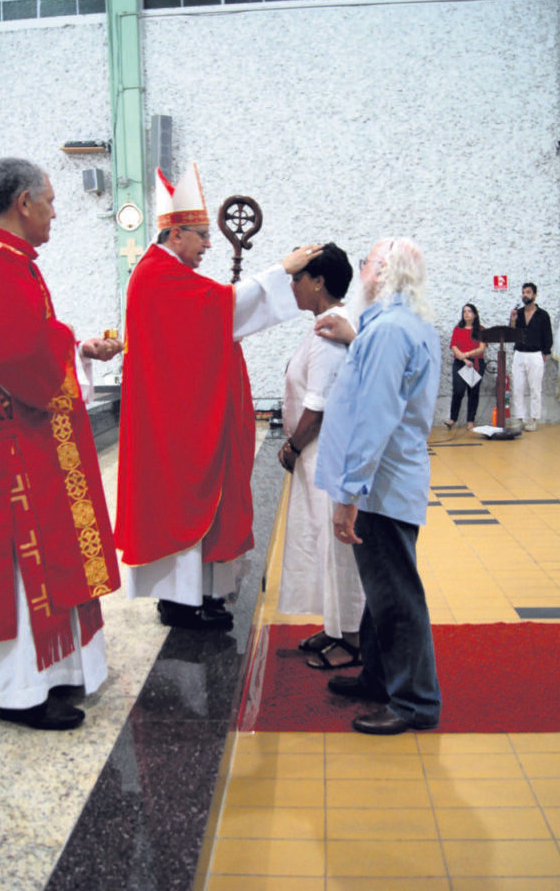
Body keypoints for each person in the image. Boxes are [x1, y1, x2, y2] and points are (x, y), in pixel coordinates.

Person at [0, 157, 123, 731]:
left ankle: (48, 678)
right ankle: (19, 695)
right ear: (23, 203)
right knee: (17, 573)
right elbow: (20, 358)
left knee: (34, 567)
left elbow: (20, 346)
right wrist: (66, 346)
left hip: (7, 439)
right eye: (51, 201)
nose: (56, 212)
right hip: (3, 458)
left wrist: (78, 350)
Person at [115, 162, 322, 631]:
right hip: (176, 421)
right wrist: (280, 272)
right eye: (202, 236)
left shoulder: (171, 275)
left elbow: (215, 312)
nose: (209, 244)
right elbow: (218, 309)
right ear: (175, 235)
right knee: (184, 500)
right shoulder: (155, 276)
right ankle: (181, 601)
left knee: (209, 497)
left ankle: (199, 595)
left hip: (188, 410)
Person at [314, 237, 441, 735]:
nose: (361, 270)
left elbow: (375, 419)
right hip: (387, 481)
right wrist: (355, 335)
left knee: (396, 592)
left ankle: (415, 703)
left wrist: (349, 495)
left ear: (383, 271)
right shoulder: (400, 324)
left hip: (380, 486)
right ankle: (378, 676)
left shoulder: (390, 331)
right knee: (381, 587)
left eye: (367, 262)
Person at [276, 243, 365, 669]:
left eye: (297, 278)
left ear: (319, 282)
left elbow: (319, 403)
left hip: (325, 454)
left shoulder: (333, 327)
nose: (291, 285)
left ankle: (352, 638)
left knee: (338, 550)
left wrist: (293, 444)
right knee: (322, 545)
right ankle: (336, 625)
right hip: (317, 455)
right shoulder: (326, 323)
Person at [509, 282, 553, 431]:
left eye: (528, 292)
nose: (524, 295)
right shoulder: (518, 313)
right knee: (518, 387)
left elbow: (548, 336)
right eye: (523, 292)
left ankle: (533, 419)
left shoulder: (543, 315)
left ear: (534, 295)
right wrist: (513, 319)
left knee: (535, 388)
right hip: (519, 353)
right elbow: (511, 333)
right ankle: (519, 418)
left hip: (536, 354)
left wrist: (545, 353)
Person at [445, 303, 486, 430]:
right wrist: (463, 359)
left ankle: (470, 421)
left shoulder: (481, 329)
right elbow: (454, 346)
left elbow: (482, 348)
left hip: (476, 363)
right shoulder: (458, 329)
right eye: (464, 311)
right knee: (458, 391)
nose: (466, 313)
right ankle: (453, 418)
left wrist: (468, 355)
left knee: (473, 393)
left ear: (474, 314)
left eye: (469, 311)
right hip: (460, 362)